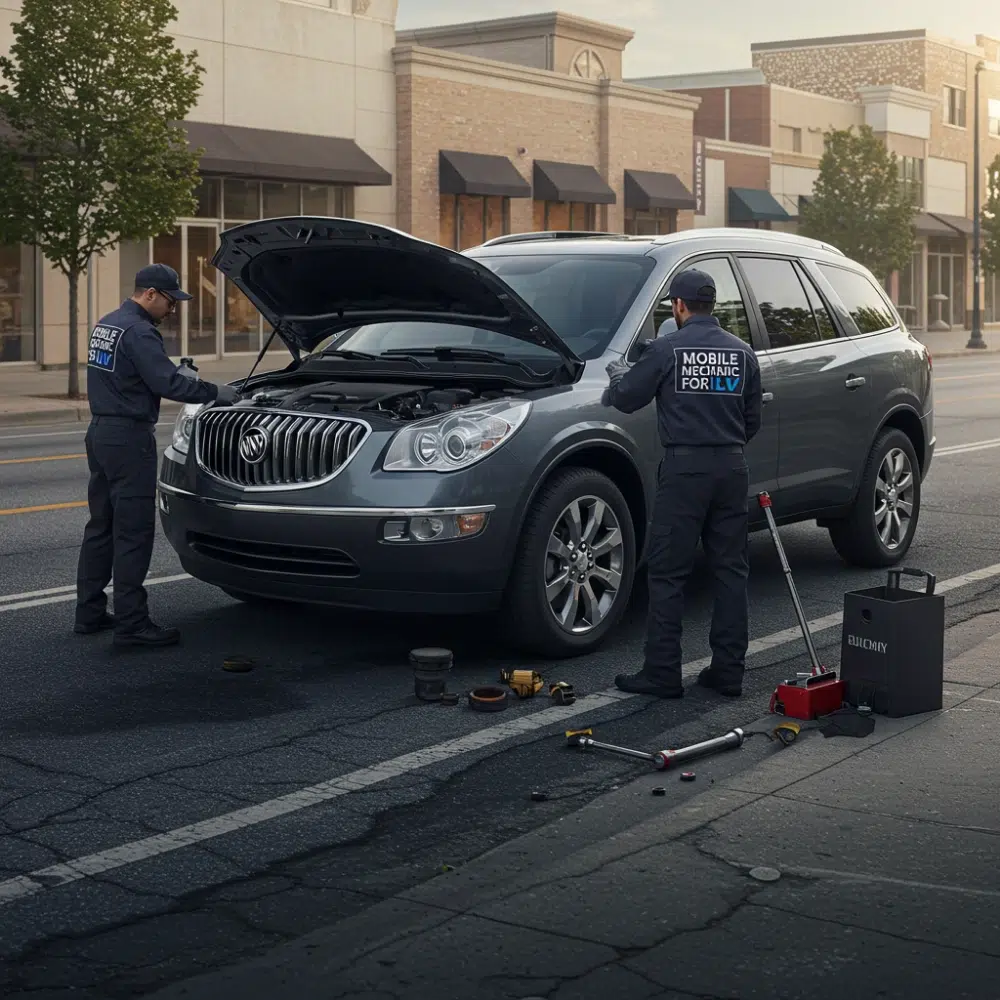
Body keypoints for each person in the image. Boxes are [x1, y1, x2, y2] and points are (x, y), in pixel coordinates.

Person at [602, 268, 762, 698]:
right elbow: (752, 422)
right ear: (712, 305)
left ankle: (662, 673)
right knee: (730, 572)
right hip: (731, 469)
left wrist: (619, 372)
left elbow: (625, 397)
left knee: (669, 573)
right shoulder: (742, 352)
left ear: (677, 306)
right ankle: (728, 673)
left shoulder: (667, 348)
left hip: (685, 473)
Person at [74, 264, 239, 647]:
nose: (173, 309)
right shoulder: (140, 331)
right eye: (169, 300)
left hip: (100, 433)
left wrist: (176, 374)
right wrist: (216, 392)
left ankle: (89, 612)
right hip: (129, 438)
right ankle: (132, 624)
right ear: (150, 293)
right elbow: (165, 382)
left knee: (101, 525)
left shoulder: (108, 324)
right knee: (133, 531)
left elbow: (136, 374)